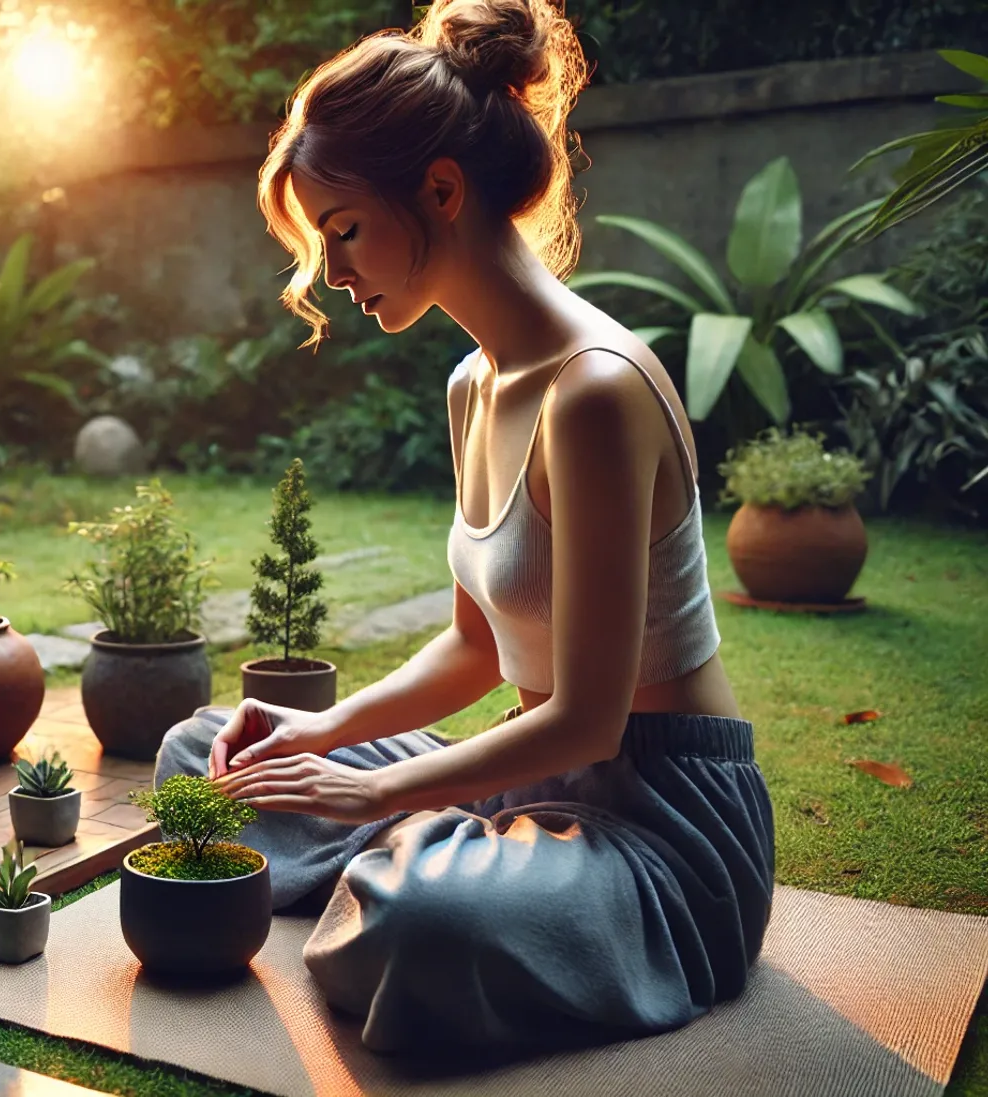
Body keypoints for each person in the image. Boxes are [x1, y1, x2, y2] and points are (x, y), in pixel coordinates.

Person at [153, 0, 775, 1059]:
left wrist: (376, 785)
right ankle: (440, 847)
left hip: (660, 821)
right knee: (202, 752)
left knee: (423, 921)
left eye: (343, 230)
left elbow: (590, 720)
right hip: (531, 778)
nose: (330, 274)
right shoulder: (472, 386)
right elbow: (477, 645)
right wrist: (324, 734)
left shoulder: (595, 392)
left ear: (441, 189)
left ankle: (431, 862)